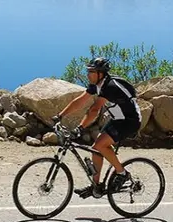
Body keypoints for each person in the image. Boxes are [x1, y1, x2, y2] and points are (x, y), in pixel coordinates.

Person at [52, 57, 142, 199]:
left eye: (91, 72)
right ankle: (96, 186)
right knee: (96, 148)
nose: (88, 74)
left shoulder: (110, 87)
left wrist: (80, 128)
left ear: (101, 73)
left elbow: (94, 110)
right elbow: (80, 102)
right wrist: (60, 115)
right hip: (117, 119)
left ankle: (122, 173)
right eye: (88, 71)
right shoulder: (96, 85)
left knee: (100, 145)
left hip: (130, 121)